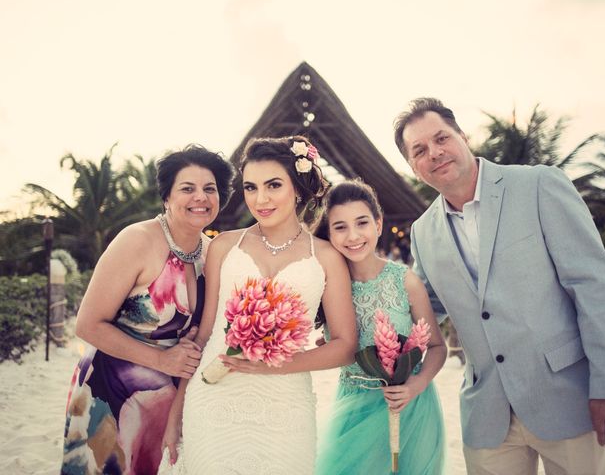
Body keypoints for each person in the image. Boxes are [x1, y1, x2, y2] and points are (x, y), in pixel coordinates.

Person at [393, 97, 605, 474]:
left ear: (461, 135)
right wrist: (358, 329)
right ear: (412, 165)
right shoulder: (423, 231)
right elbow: (426, 307)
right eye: (420, 150)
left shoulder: (538, 185)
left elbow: (592, 286)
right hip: (487, 412)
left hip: (567, 397)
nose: (435, 153)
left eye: (441, 138)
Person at [161, 135, 357, 474]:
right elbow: (204, 334)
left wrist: (276, 365)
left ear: (297, 188)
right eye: (250, 187)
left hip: (285, 405)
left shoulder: (326, 257)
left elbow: (345, 346)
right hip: (213, 400)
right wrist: (176, 411)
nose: (261, 199)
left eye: (273, 185)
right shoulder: (223, 246)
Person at [60, 144, 235, 474]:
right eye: (187, 188)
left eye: (209, 189)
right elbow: (87, 325)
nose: (200, 197)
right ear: (167, 197)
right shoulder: (137, 240)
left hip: (166, 400)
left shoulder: (213, 252)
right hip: (109, 390)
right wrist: (161, 359)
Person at [315, 180, 447, 474]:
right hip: (353, 406)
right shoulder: (324, 286)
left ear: (378, 223)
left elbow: (437, 346)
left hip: (409, 404)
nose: (353, 236)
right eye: (340, 227)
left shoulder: (404, 280)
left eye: (362, 222)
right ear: (329, 233)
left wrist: (416, 384)